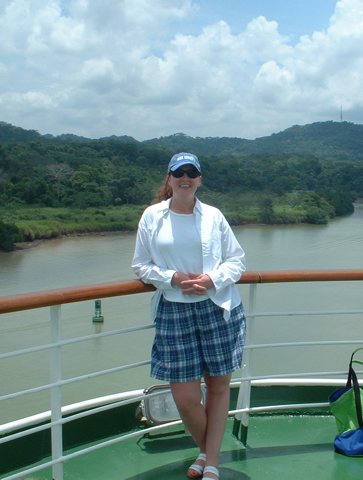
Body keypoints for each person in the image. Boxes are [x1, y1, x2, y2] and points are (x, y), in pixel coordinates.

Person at [132, 152, 247, 480]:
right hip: (174, 310)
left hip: (218, 307)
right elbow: (140, 265)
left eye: (191, 173)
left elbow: (236, 261)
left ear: (199, 179)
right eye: (178, 173)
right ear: (169, 179)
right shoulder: (153, 216)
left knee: (218, 387)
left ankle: (209, 461)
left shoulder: (213, 216)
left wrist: (213, 279)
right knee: (185, 397)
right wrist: (174, 279)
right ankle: (208, 451)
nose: (185, 178)